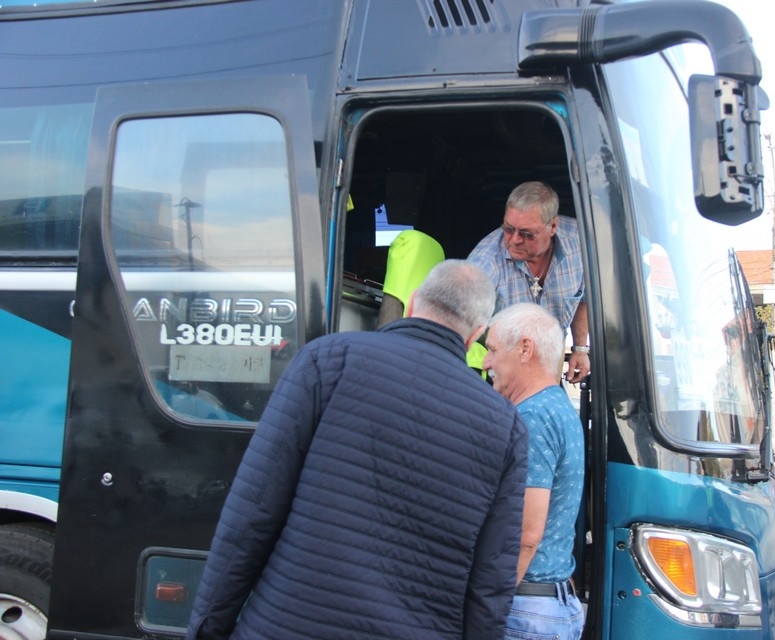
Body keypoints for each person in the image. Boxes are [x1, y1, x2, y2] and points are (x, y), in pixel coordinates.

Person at [186, 260, 529, 640]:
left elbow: (252, 512)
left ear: (412, 302)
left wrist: (208, 628)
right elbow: (491, 582)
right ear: (476, 333)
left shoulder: (327, 360)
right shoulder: (506, 427)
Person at [482, 303, 586, 640]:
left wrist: (488, 607)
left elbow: (526, 535)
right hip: (550, 604)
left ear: (525, 349)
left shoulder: (532, 417)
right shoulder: (558, 406)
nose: (485, 363)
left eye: (493, 350)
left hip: (523, 610)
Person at [467, 181, 590, 384]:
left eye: (526, 234)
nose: (514, 240)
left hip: (551, 361)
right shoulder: (483, 264)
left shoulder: (580, 243)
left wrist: (580, 349)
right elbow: (457, 330)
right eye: (508, 229)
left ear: (553, 227)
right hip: (501, 371)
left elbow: (583, 298)